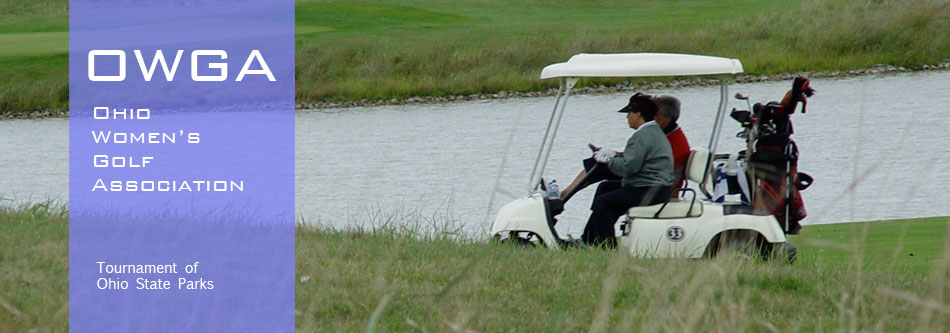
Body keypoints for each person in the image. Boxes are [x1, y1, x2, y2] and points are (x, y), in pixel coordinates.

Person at [580, 93, 673, 248]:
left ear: (638, 114)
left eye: (629, 113)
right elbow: (633, 159)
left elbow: (628, 167)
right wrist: (613, 156)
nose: (627, 117)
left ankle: (604, 246)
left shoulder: (643, 136)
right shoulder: (651, 132)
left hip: (649, 190)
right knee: (604, 188)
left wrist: (609, 160)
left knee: (604, 203)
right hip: (652, 187)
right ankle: (589, 238)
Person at [560, 95, 690, 199]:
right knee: (604, 186)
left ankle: (565, 194)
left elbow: (649, 166)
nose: (650, 117)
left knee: (601, 167)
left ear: (667, 118)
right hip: (650, 180)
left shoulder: (671, 140)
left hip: (655, 186)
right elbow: (645, 158)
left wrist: (611, 160)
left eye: (655, 114)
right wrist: (616, 155)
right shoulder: (662, 134)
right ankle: (597, 229)